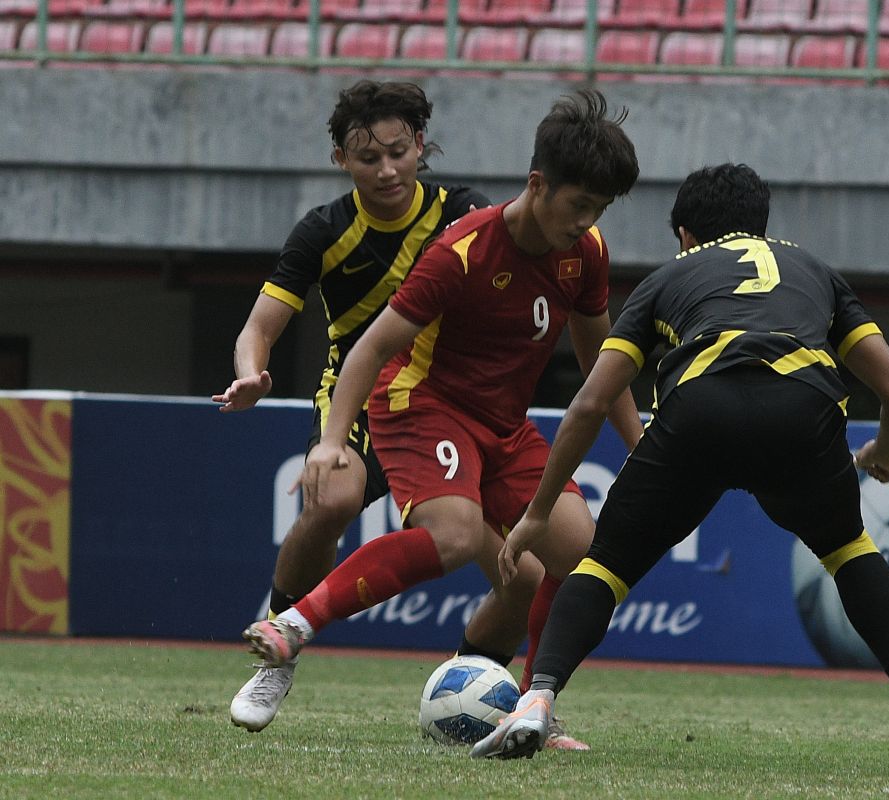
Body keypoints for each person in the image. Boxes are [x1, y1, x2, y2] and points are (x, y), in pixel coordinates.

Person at [470, 164, 889, 779]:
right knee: (850, 552)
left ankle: (536, 700)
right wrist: (886, 453)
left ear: (684, 233)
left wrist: (538, 513)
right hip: (804, 414)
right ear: (761, 225)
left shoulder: (670, 277)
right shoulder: (815, 271)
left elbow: (591, 402)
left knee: (604, 566)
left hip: (699, 413)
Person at [239, 89, 644, 749]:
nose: (588, 221)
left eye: (600, 209)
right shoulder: (463, 250)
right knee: (452, 535)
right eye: (580, 205)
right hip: (422, 401)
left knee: (581, 556)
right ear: (538, 184)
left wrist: (640, 446)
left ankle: (532, 705)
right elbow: (371, 347)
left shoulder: (586, 251)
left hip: (503, 425)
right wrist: (332, 442)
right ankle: (294, 625)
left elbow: (604, 359)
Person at [214, 79, 544, 734]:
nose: (387, 169)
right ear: (342, 159)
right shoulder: (324, 230)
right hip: (361, 400)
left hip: (450, 402)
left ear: (421, 145)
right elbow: (258, 328)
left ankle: (486, 689)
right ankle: (282, 644)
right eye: (369, 158)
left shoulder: (463, 213)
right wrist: (250, 375)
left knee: (526, 573)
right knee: (332, 499)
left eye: (399, 151)